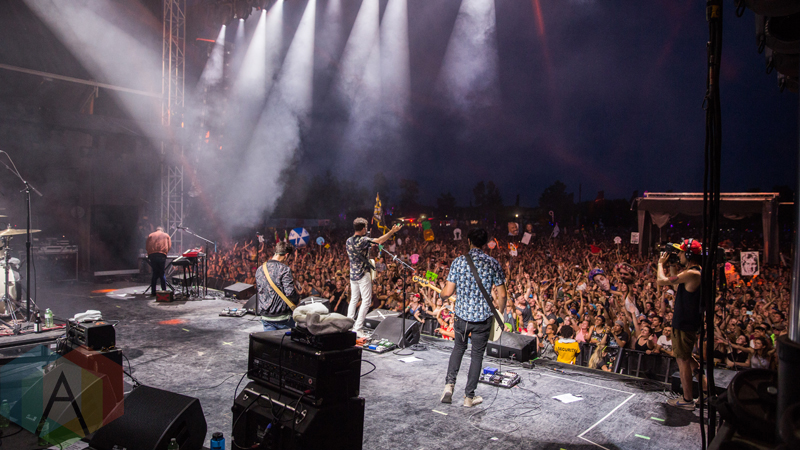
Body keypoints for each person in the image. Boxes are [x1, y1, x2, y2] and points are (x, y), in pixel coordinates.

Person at [439, 228, 507, 407]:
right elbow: (502, 294)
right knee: (477, 356)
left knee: (458, 349)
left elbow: (447, 292)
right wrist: (501, 312)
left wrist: (441, 295)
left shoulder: (459, 262)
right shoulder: (492, 263)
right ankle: (469, 397)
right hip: (482, 319)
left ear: (469, 241)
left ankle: (449, 386)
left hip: (462, 317)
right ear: (485, 243)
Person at [657, 239, 702, 411]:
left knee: (682, 361)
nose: (679, 255)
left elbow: (661, 281)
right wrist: (673, 265)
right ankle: (705, 389)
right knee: (687, 357)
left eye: (681, 252)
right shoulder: (693, 272)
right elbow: (676, 286)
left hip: (684, 323)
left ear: (689, 254)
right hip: (686, 322)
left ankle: (687, 399)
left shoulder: (693, 273)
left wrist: (661, 264)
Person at [346, 218, 402, 337]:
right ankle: (357, 328)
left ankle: (349, 325)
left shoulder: (348, 240)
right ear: (363, 229)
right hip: (362, 274)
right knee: (366, 301)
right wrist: (392, 231)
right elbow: (379, 241)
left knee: (354, 299)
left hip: (353, 274)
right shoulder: (363, 240)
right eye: (365, 228)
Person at [256, 242, 299, 331]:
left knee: (270, 340)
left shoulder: (260, 269)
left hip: (266, 317)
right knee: (286, 339)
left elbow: (260, 291)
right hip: (282, 318)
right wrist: (297, 299)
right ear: (286, 255)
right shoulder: (284, 269)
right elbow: (290, 293)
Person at [146, 226, 171, 296]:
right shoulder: (166, 235)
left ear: (156, 230)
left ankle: (153, 292)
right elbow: (169, 246)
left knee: (154, 273)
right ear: (162, 230)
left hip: (152, 255)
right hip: (162, 255)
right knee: (162, 273)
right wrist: (165, 253)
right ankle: (164, 291)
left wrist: (150, 253)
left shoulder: (150, 235)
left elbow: (147, 246)